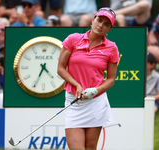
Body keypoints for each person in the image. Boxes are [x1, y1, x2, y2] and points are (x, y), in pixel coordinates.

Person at [57, 7, 119, 149]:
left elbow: (111, 79)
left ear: (109, 29)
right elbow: (60, 69)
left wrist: (96, 90)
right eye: (99, 20)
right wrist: (77, 85)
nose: (101, 25)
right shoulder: (73, 39)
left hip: (95, 102)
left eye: (106, 24)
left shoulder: (112, 48)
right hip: (74, 100)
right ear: (93, 20)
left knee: (90, 147)